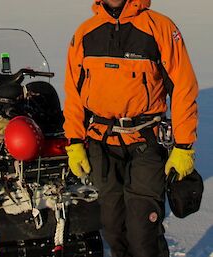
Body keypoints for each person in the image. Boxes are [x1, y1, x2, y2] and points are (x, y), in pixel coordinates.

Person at [63, 0, 198, 256]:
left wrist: (184, 146)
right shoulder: (85, 33)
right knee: (114, 230)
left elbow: (183, 89)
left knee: (142, 232)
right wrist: (75, 142)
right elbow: (74, 93)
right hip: (103, 144)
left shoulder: (159, 27)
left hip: (146, 142)